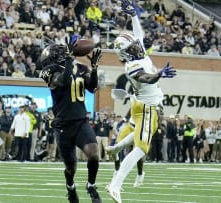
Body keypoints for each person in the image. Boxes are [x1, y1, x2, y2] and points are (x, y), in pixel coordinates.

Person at [106, 1, 176, 202]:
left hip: (144, 106)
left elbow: (139, 34)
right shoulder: (132, 66)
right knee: (141, 148)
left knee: (145, 133)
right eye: (133, 45)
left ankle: (117, 148)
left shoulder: (137, 52)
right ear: (127, 52)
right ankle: (115, 185)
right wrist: (159, 74)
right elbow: (146, 77)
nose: (138, 44)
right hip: (146, 108)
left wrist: (133, 15)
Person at [38, 38, 102, 203]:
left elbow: (93, 88)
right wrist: (67, 60)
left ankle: (91, 185)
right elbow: (64, 81)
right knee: (70, 168)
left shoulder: (81, 68)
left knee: (94, 154)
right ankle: (70, 187)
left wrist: (94, 69)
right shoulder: (49, 71)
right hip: (63, 125)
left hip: (80, 121)